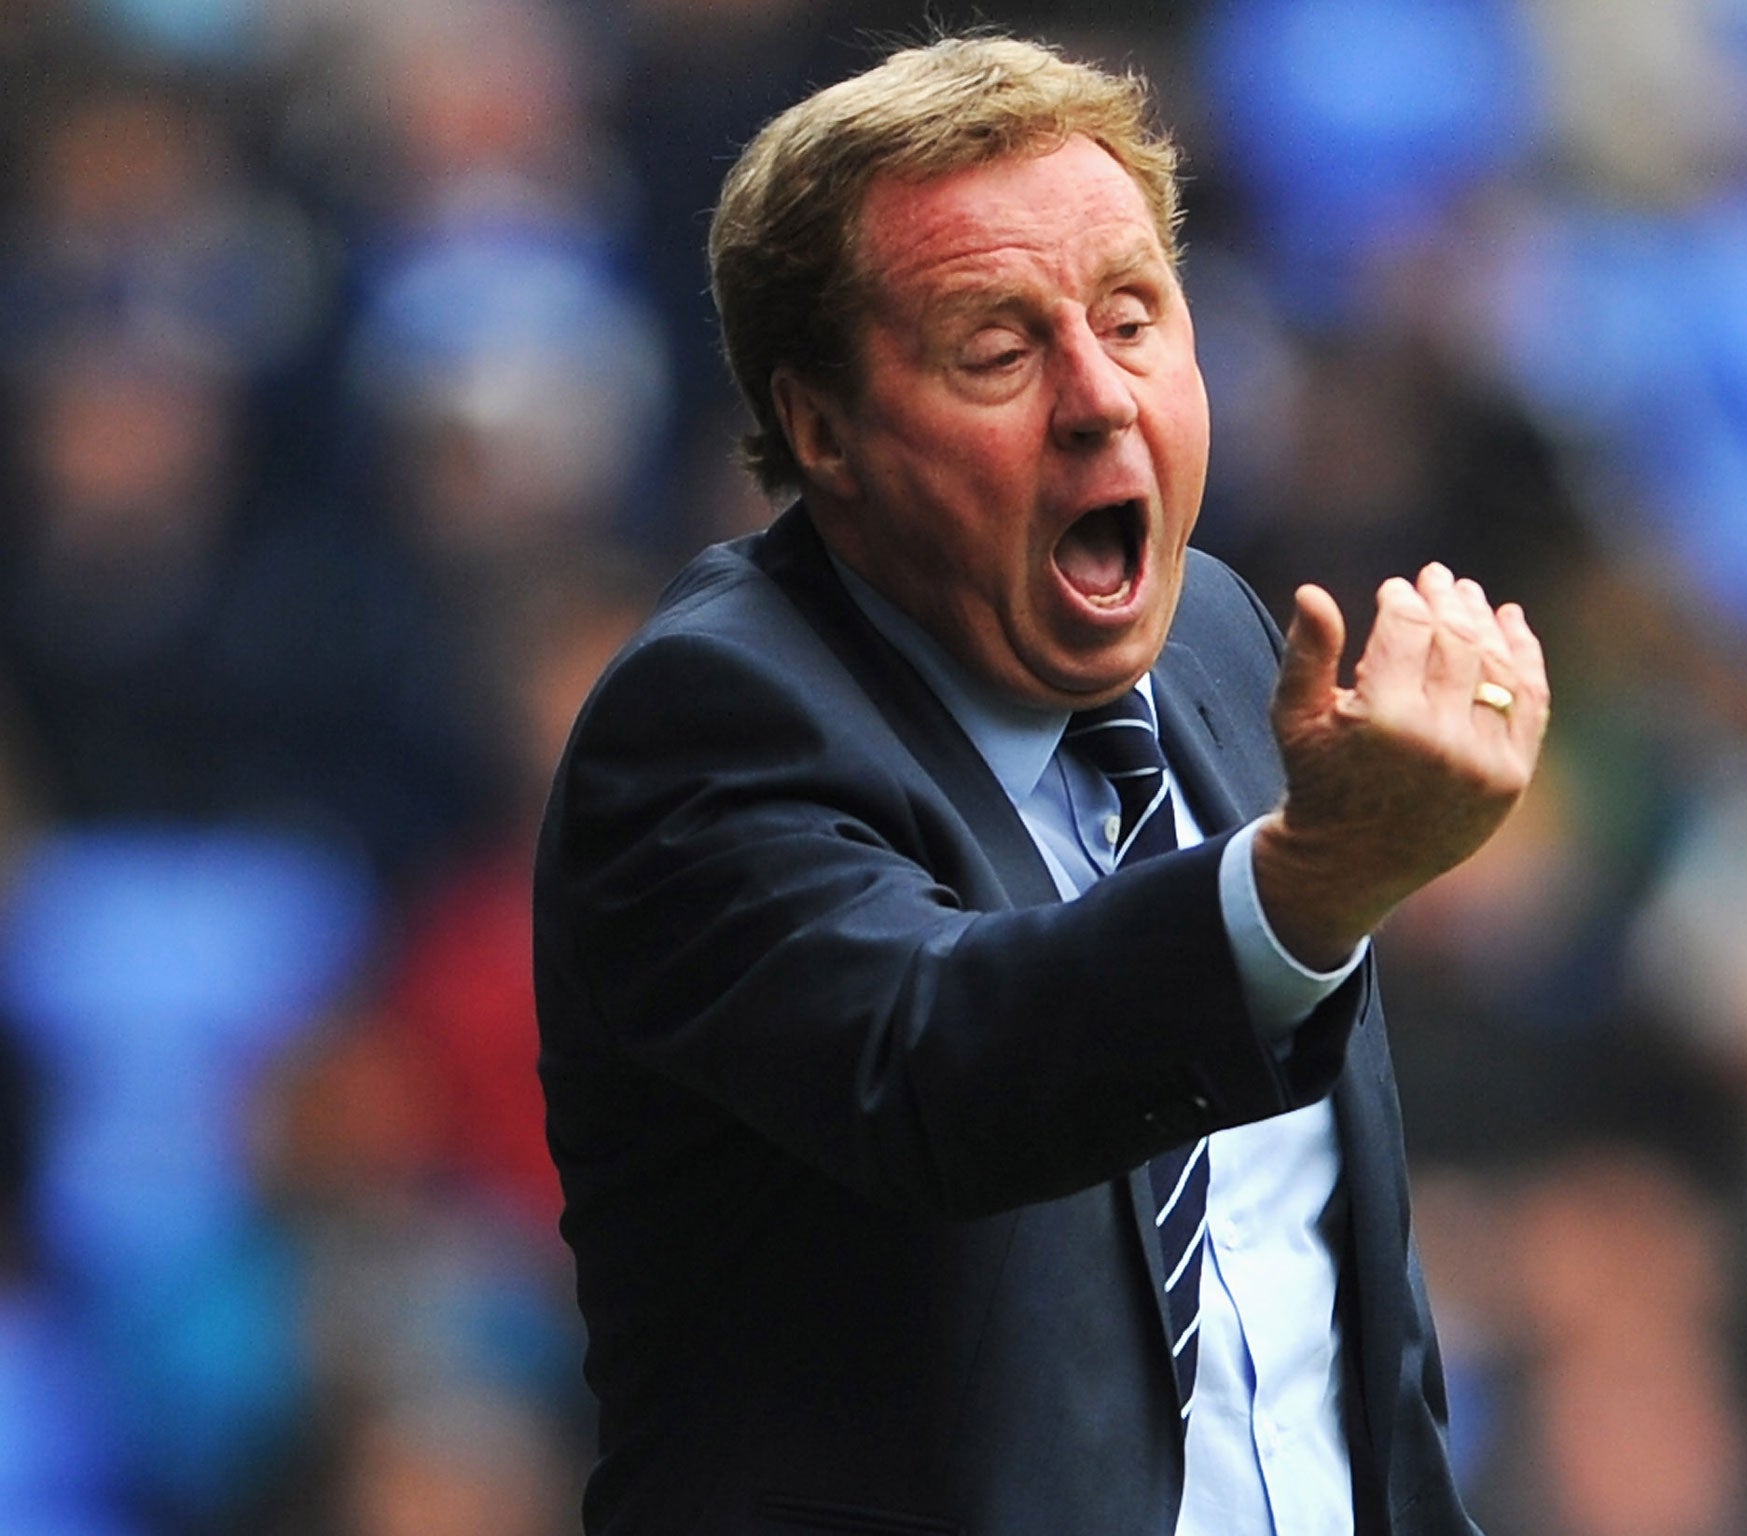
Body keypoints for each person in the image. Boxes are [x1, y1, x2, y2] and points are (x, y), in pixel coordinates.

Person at [534, 34, 1547, 1536]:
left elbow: (1332, 1330)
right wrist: (1308, 890)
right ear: (824, 431)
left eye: (1135, 319)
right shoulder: (707, 724)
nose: (1099, 399)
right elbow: (944, 1069)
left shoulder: (1212, 633)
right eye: (999, 351)